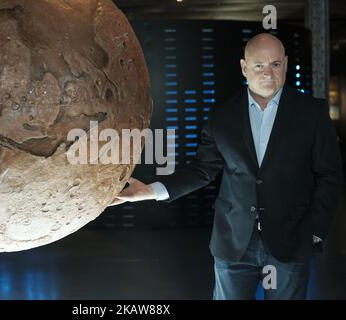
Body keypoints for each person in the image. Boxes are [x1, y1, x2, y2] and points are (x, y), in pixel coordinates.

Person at [110, 33, 344, 300]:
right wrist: (150, 190)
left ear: (287, 64)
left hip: (291, 241)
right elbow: (203, 169)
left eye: (276, 64)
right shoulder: (222, 116)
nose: (268, 73)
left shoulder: (312, 112)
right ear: (244, 67)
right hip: (234, 242)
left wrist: (315, 232)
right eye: (259, 65)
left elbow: (330, 176)